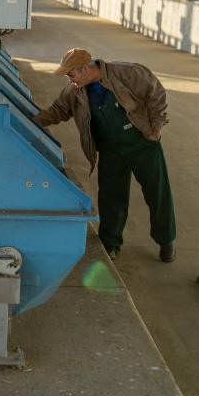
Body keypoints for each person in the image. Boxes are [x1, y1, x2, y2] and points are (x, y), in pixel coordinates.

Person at [34, 48, 176, 262]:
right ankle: (110, 244)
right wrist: (31, 122)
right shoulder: (75, 90)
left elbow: (156, 94)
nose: (69, 80)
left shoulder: (129, 73)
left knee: (157, 194)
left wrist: (156, 128)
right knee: (111, 197)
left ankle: (166, 242)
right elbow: (58, 110)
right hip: (111, 148)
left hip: (142, 143)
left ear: (84, 69)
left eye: (71, 74)